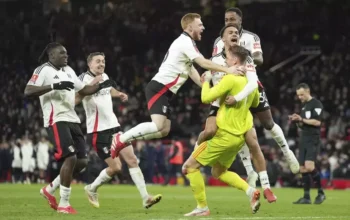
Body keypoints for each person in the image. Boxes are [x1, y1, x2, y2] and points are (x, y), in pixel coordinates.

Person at [110, 13, 242, 158]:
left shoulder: (186, 43)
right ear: (190, 27)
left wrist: (208, 90)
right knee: (158, 125)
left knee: (164, 130)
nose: (203, 28)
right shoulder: (185, 42)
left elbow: (191, 70)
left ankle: (127, 138)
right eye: (200, 25)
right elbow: (203, 63)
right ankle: (121, 139)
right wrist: (227, 70)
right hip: (159, 87)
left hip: (165, 91)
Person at [24, 42, 117, 214]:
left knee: (82, 162)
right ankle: (64, 203)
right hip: (56, 119)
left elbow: (84, 89)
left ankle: (50, 189)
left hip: (72, 119)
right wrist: (53, 86)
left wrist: (100, 86)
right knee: (70, 158)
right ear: (52, 56)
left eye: (66, 54)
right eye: (62, 54)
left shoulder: (69, 70)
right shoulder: (43, 70)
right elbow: (28, 91)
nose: (66, 56)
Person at [213, 7, 299, 175]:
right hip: (231, 87)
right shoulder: (219, 41)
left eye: (232, 19)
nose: (229, 22)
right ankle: (249, 171)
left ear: (240, 20)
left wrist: (244, 57)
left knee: (268, 123)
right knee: (240, 130)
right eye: (226, 20)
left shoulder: (251, 38)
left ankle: (287, 152)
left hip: (251, 84)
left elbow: (259, 58)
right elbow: (215, 63)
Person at [196, 24, 276, 202]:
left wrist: (238, 97)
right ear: (222, 39)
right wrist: (207, 78)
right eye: (230, 32)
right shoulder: (215, 60)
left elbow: (253, 83)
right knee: (208, 132)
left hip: (238, 106)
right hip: (219, 103)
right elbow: (206, 76)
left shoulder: (244, 59)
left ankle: (267, 187)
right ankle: (196, 154)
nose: (234, 34)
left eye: (236, 33)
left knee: (253, 142)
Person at [182, 45, 261, 217]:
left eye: (227, 58)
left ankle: (202, 207)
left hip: (223, 136)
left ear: (234, 61)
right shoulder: (251, 83)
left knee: (189, 167)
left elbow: (206, 98)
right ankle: (250, 192)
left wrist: (205, 82)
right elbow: (255, 103)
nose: (225, 61)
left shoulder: (230, 79)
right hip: (238, 139)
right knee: (218, 172)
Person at [76, 52, 162, 209]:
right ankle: (92, 188)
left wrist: (119, 93)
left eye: (103, 61)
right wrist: (93, 84)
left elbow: (109, 90)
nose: (101, 64)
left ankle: (145, 198)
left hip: (115, 128)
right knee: (116, 168)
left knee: (132, 160)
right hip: (98, 131)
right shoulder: (83, 79)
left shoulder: (105, 75)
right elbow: (75, 99)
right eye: (98, 61)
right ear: (89, 64)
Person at [289, 83, 326, 204]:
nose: (300, 97)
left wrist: (301, 119)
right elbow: (303, 124)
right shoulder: (304, 106)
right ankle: (306, 197)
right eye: (298, 95)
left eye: (302, 94)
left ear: (308, 91)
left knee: (310, 167)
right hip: (303, 138)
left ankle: (321, 193)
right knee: (302, 169)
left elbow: (317, 122)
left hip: (313, 139)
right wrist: (297, 121)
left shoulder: (316, 104)